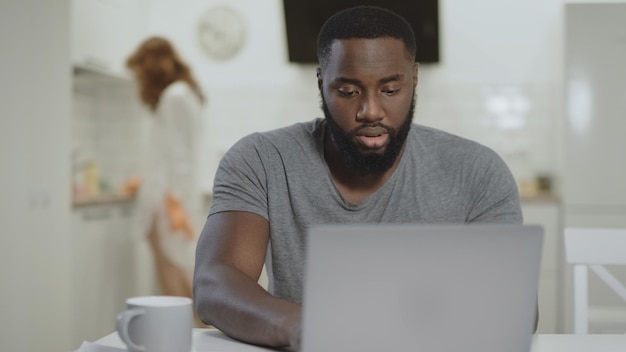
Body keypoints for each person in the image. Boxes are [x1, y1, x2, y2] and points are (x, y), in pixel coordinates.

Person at [193, 6, 523, 350]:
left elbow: (516, 308)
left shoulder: (478, 172)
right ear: (322, 84)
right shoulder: (261, 159)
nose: (371, 111)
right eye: (349, 92)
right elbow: (214, 283)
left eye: (390, 90)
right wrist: (311, 330)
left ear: (414, 79)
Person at [127, 37, 206, 306]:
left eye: (140, 72)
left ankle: (184, 341)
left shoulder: (174, 96)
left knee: (173, 276)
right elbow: (175, 151)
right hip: (172, 196)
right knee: (179, 269)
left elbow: (177, 155)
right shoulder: (185, 93)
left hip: (166, 200)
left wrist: (173, 201)